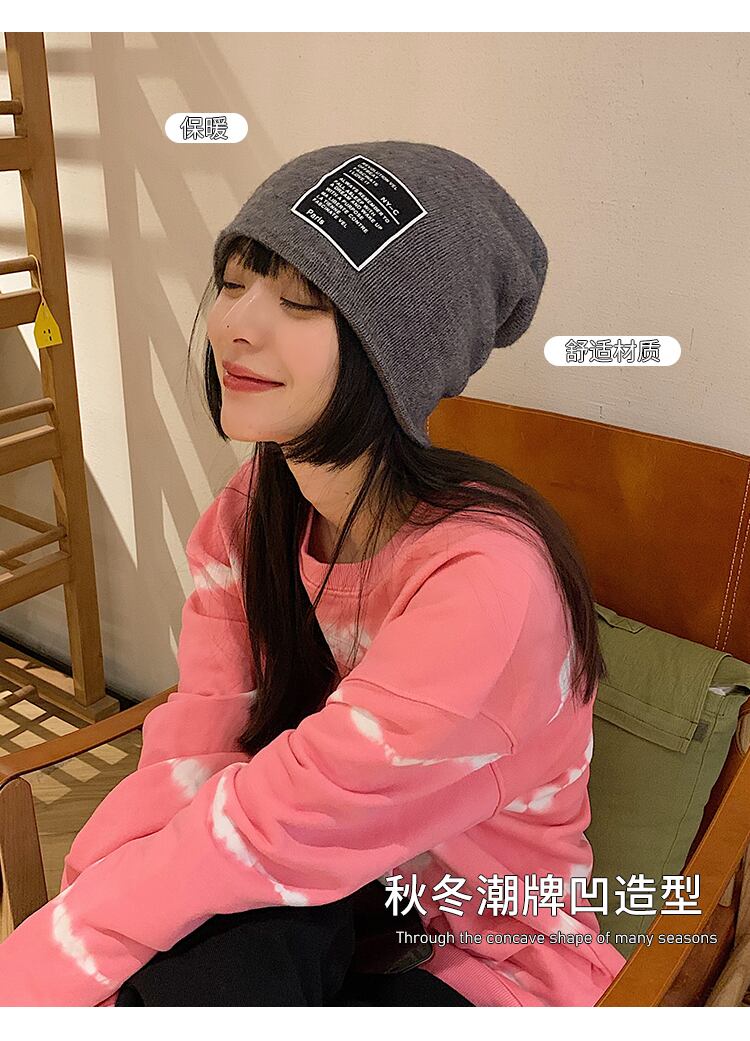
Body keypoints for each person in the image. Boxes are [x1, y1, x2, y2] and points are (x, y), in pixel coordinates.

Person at [0, 140, 627, 1007]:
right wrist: (88, 924)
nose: (236, 324)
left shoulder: (488, 583)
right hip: (334, 903)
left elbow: (275, 823)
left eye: (301, 300)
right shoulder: (252, 511)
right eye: (233, 282)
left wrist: (40, 972)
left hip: (486, 956)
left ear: (397, 353)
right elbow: (199, 750)